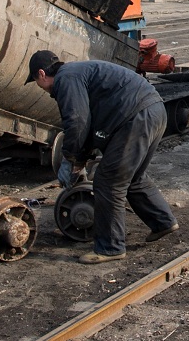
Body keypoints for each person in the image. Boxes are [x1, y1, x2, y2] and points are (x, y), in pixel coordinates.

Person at [27, 49, 178, 264]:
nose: (41, 89)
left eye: (35, 82)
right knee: (132, 177)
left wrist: (69, 159)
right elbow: (87, 124)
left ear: (41, 74)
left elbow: (77, 122)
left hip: (135, 117)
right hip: (153, 110)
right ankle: (162, 221)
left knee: (108, 183)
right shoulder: (75, 73)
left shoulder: (65, 79)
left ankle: (110, 247)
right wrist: (80, 160)